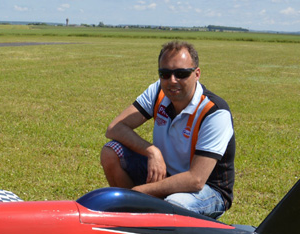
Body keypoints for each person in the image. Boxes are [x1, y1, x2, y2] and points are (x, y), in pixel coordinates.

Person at [100, 40, 235, 218]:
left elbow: (196, 180)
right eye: (164, 73)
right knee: (111, 152)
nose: (172, 81)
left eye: (181, 73)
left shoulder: (214, 111)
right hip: (165, 174)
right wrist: (152, 151)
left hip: (209, 190)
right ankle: (133, 218)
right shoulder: (157, 91)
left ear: (197, 74)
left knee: (174, 204)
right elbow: (115, 128)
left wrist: (137, 192)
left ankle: (136, 209)